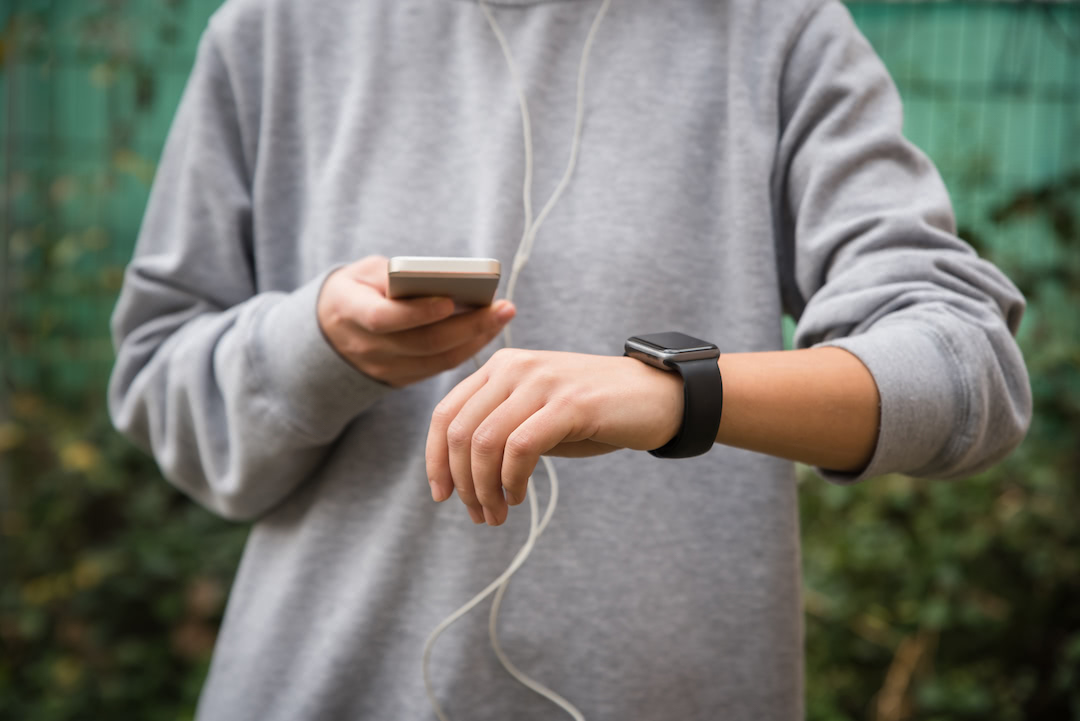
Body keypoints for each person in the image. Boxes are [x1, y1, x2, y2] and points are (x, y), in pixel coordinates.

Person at [107, 0, 1031, 718]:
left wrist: (678, 393)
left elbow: (969, 372)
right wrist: (317, 343)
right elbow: (156, 380)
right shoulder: (275, 28)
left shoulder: (772, 26)